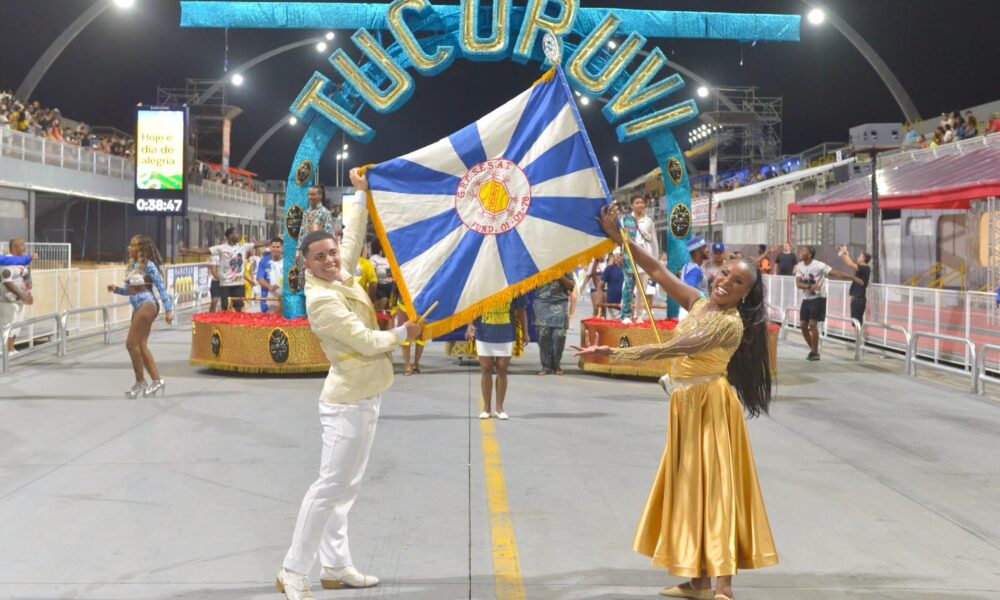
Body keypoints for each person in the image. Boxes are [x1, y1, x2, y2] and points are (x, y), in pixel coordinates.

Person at [573, 205, 778, 600]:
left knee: (717, 489)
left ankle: (724, 586)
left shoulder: (729, 324)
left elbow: (677, 346)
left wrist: (614, 353)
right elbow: (657, 271)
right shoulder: (699, 302)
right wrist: (623, 240)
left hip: (711, 407)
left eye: (736, 282)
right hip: (686, 405)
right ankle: (697, 580)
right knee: (690, 488)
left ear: (745, 294)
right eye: (725, 273)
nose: (725, 281)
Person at [276, 169, 423, 599]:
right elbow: (366, 341)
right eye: (320, 257)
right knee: (328, 489)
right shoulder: (321, 301)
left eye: (332, 252)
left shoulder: (341, 275)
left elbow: (353, 238)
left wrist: (359, 196)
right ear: (306, 264)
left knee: (346, 488)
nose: (330, 259)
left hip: (366, 396)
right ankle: (292, 571)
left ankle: (335, 565)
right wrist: (404, 333)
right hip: (345, 405)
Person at [107, 236, 174, 398]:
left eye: (133, 245)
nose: (129, 248)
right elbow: (129, 290)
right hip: (137, 307)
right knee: (141, 346)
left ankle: (140, 381)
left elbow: (161, 288)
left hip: (148, 304)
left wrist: (169, 310)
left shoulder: (149, 266)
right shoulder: (133, 266)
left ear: (141, 249)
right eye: (129, 245)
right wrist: (116, 289)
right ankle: (157, 381)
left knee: (131, 343)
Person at [466, 296, 528, 420]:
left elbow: (522, 310)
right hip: (483, 333)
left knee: (502, 369)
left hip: (506, 333)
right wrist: (470, 324)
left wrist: (525, 332)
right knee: (486, 368)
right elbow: (472, 306)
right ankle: (486, 408)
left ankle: (499, 408)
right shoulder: (479, 287)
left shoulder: (513, 287)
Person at [795, 246, 860, 361]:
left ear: (809, 255)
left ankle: (815, 352)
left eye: (804, 251)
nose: (801, 252)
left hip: (819, 297)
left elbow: (836, 273)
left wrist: (852, 277)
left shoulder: (819, 265)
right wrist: (810, 287)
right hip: (806, 298)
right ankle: (813, 350)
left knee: (813, 324)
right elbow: (798, 284)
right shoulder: (800, 266)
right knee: (803, 325)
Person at [210, 228, 268, 312]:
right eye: (236, 233)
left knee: (239, 307)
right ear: (230, 236)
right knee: (226, 308)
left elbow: (260, 244)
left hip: (239, 284)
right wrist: (189, 250)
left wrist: (273, 240)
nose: (239, 235)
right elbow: (204, 251)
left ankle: (238, 320)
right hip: (226, 284)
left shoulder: (243, 246)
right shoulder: (221, 248)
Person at [534, 274, 574, 376]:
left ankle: (556, 364)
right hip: (542, 303)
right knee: (543, 335)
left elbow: (571, 286)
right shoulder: (539, 267)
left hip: (560, 303)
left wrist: (560, 275)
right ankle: (546, 366)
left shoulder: (565, 267)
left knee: (559, 335)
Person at [0, 239, 33, 356]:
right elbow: (7, 283)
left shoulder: (21, 262)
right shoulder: (7, 262)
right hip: (8, 301)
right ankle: (6, 349)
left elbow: (26, 278)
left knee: (17, 324)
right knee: (8, 323)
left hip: (19, 299)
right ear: (14, 247)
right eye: (22, 245)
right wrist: (24, 296)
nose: (25, 247)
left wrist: (28, 294)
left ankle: (11, 348)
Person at [631, 196, 659, 320]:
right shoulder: (626, 220)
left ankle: (639, 315)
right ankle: (626, 314)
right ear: (632, 205)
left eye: (642, 202)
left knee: (642, 289)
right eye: (637, 202)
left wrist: (655, 260)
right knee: (627, 287)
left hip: (643, 257)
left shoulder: (649, 221)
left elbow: (654, 241)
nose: (640, 204)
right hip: (629, 257)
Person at [839, 245, 872, 326]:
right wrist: (844, 253)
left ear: (863, 258)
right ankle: (857, 334)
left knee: (857, 322)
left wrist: (845, 252)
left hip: (859, 300)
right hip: (856, 300)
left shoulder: (865, 268)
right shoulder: (862, 268)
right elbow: (848, 263)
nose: (858, 258)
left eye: (860, 256)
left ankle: (859, 334)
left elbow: (850, 263)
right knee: (855, 322)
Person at [257, 238, 285, 314]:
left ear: (282, 248)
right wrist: (270, 287)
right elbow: (260, 278)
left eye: (278, 247)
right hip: (268, 299)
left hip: (285, 299)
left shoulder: (287, 261)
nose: (275, 249)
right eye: (273, 247)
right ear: (270, 247)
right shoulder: (264, 261)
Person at [598, 251, 625, 319]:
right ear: (617, 257)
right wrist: (600, 301)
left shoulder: (631, 270)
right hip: (612, 307)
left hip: (627, 307)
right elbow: (600, 286)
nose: (623, 258)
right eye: (621, 255)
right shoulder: (609, 269)